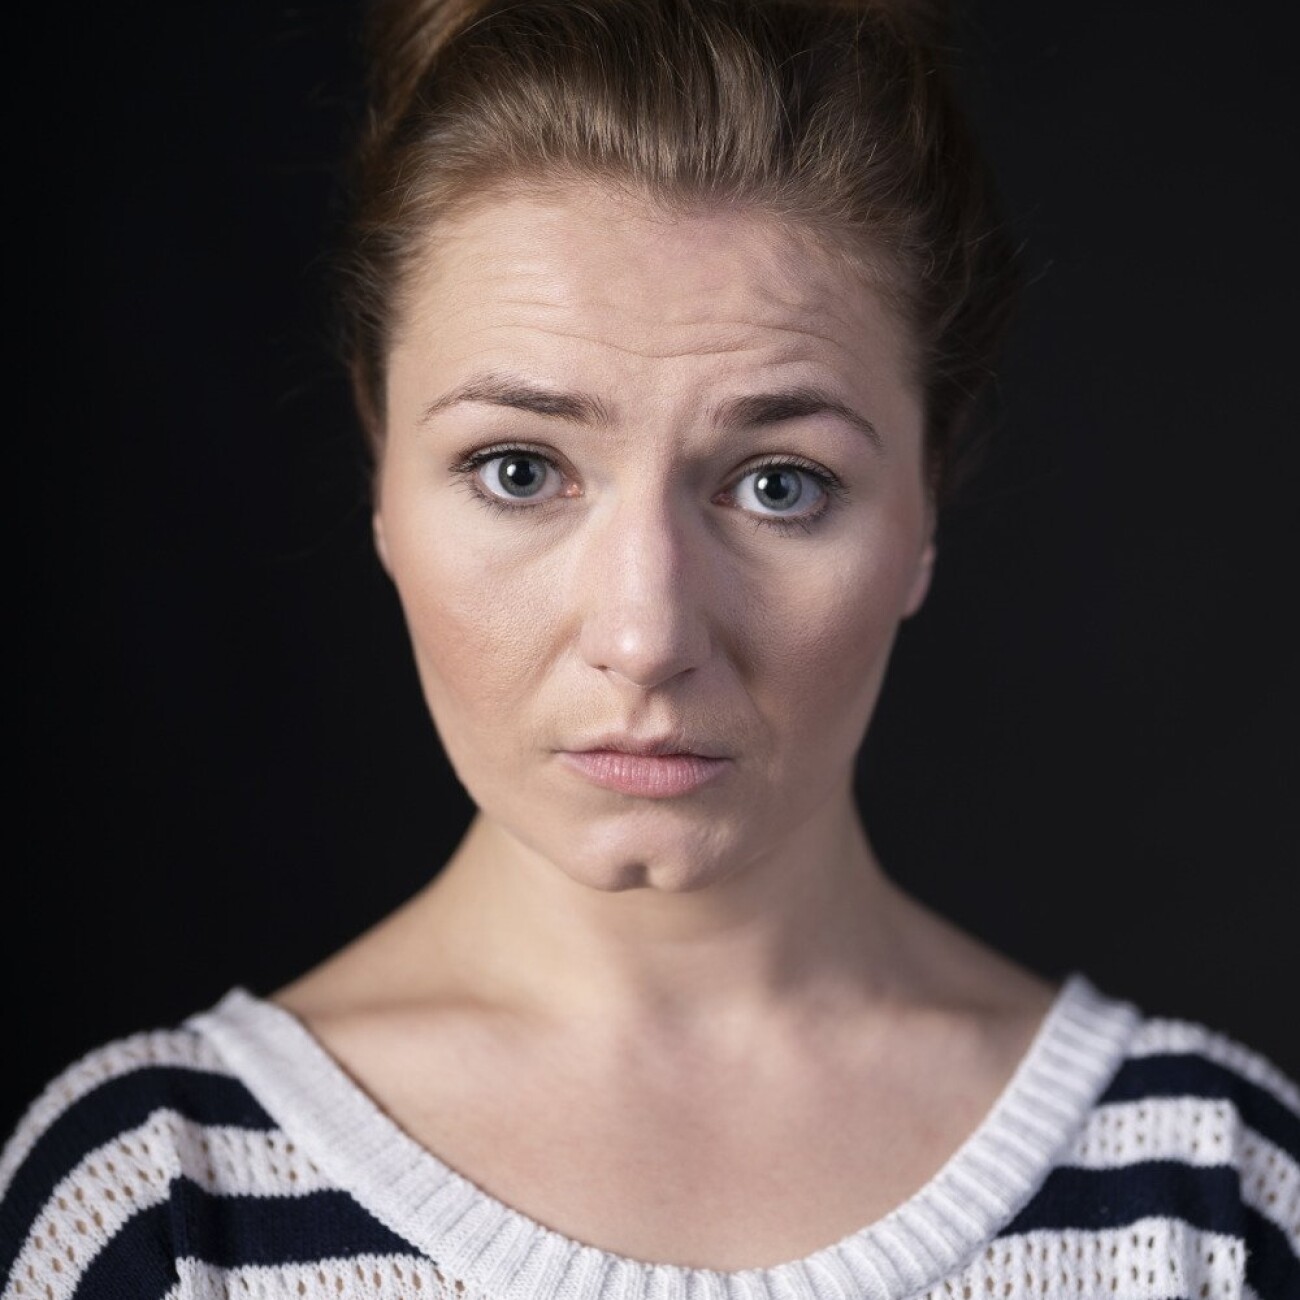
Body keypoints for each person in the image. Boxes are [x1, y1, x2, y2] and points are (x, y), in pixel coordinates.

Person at [3, 0, 1297, 1296]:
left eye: (780, 484)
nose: (645, 637)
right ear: (380, 462)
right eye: (519, 470)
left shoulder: (1216, 1199)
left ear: (927, 498)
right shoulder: (159, 1204)